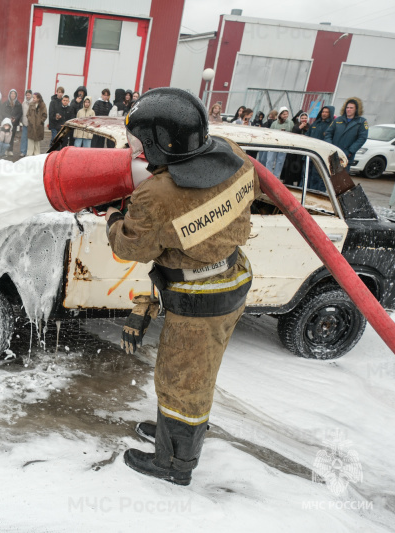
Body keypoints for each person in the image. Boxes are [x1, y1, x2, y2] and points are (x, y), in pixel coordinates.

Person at [105, 87, 259, 486]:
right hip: (232, 278)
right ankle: (171, 436)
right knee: (197, 372)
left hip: (199, 298)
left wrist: (113, 219)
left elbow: (130, 247)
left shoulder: (159, 194)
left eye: (141, 143)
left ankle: (174, 465)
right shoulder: (232, 156)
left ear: (160, 142)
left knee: (182, 381)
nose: (137, 151)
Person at [324, 98, 369, 171]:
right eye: (347, 107)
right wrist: (330, 146)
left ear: (356, 109)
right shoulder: (338, 120)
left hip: (346, 156)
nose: (348, 109)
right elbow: (328, 133)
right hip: (333, 153)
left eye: (351, 108)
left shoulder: (361, 122)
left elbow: (362, 138)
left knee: (341, 178)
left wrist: (350, 151)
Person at [304, 106, 335, 192]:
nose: (324, 114)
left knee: (317, 175)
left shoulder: (331, 125)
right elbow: (308, 134)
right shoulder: (315, 123)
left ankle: (316, 192)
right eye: (323, 112)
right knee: (307, 174)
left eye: (326, 112)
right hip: (310, 152)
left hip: (320, 154)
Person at [264, 107, 292, 176]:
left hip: (283, 144)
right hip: (274, 144)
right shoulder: (275, 123)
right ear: (280, 114)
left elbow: (291, 133)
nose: (285, 116)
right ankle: (268, 175)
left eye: (287, 114)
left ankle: (276, 176)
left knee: (280, 161)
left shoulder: (290, 123)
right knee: (270, 160)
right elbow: (270, 132)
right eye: (284, 114)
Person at [0, 89, 22, 156]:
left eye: (14, 94)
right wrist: (9, 117)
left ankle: (10, 150)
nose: (13, 95)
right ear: (9, 95)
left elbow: (20, 113)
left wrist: (15, 118)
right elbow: (2, 112)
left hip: (14, 123)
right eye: (11, 93)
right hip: (7, 123)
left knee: (12, 137)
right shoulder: (5, 103)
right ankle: (5, 150)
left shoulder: (18, 104)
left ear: (16, 95)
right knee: (5, 136)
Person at [26, 92, 47, 156]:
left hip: (38, 127)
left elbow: (45, 115)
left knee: (37, 143)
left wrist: (40, 121)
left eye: (34, 98)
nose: (33, 99)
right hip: (31, 126)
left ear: (38, 98)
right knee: (30, 142)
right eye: (33, 97)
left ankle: (36, 156)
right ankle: (29, 155)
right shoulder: (31, 104)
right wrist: (30, 120)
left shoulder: (43, 105)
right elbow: (27, 114)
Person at [20, 89, 33, 157]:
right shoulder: (24, 103)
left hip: (31, 124)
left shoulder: (33, 103)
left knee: (30, 138)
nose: (28, 96)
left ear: (31, 95)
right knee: (24, 138)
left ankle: (28, 151)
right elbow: (22, 113)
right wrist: (21, 121)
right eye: (27, 95)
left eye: (29, 95)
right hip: (25, 123)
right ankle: (23, 151)